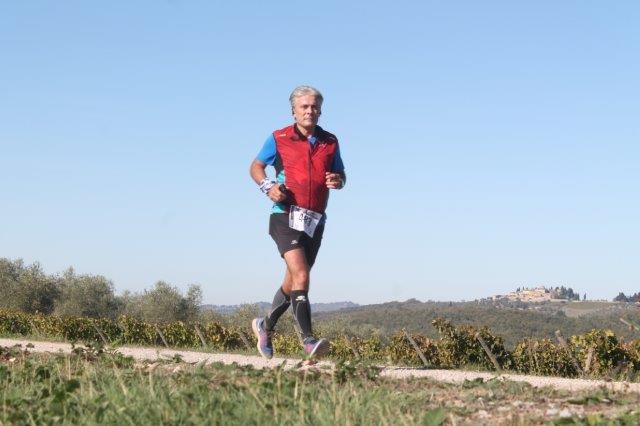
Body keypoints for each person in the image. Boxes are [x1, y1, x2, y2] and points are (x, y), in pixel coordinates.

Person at [249, 85, 346, 359]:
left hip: (315, 219)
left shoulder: (330, 141)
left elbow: (341, 175)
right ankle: (308, 341)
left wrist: (338, 180)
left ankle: (265, 326)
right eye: (304, 106)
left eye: (314, 107)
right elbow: (255, 167)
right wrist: (268, 186)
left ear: (320, 111)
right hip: (284, 214)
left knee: (293, 281)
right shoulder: (278, 138)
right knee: (302, 274)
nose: (309, 111)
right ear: (294, 111)